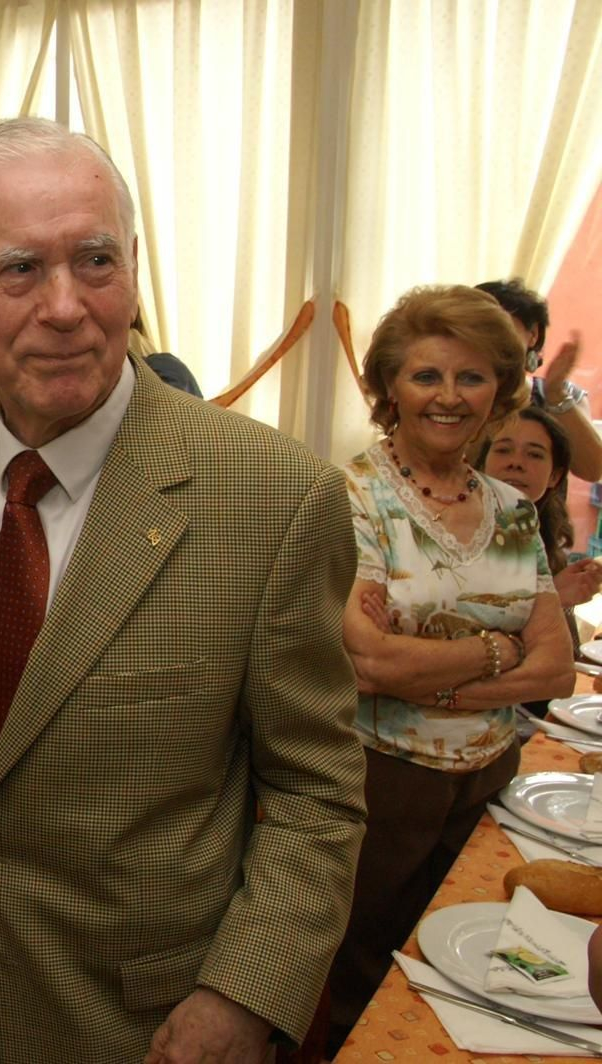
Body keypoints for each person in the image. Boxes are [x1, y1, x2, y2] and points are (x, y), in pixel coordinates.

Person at [0, 117, 368, 1062]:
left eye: (95, 261)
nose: (66, 307)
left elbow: (314, 796)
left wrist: (244, 995)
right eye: (18, 271)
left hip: (138, 1023)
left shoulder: (276, 496)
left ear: (134, 269)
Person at [327, 285, 575, 1045]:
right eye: (426, 376)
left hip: (489, 778)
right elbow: (368, 662)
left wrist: (431, 665)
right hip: (382, 781)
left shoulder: (515, 509)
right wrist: (502, 647)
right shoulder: (354, 496)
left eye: (471, 378)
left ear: (499, 390)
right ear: (388, 389)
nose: (448, 397)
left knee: (467, 967)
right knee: (357, 973)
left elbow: (558, 670)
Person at [480, 405, 601, 627]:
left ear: (554, 476)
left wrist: (559, 591)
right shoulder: (453, 531)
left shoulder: (543, 540)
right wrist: (552, 599)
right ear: (482, 464)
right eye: (503, 450)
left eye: (534, 454)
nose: (515, 463)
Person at [475, 278, 601, 481]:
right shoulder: (453, 392)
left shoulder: (561, 394)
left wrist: (555, 393)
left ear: (532, 334)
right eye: (477, 327)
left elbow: (593, 470)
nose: (488, 337)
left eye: (500, 325)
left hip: (538, 513)